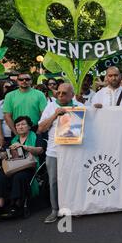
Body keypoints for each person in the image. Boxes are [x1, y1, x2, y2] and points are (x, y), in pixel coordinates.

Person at [38, 83, 84, 223]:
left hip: (73, 150)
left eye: (64, 93)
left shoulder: (79, 105)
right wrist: (55, 115)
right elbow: (41, 128)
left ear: (72, 94)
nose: (60, 95)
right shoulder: (51, 106)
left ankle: (73, 208)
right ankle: (54, 210)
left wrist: (98, 108)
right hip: (54, 151)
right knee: (53, 181)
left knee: (73, 179)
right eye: (58, 92)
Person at [0, 116, 46, 220]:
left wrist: (24, 147)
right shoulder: (14, 140)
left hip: (28, 166)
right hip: (13, 165)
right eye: (18, 125)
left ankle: (15, 204)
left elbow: (40, 150)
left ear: (29, 126)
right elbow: (4, 155)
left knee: (19, 176)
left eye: (23, 124)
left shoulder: (36, 137)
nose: (20, 127)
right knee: (1, 175)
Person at [0, 80, 16, 148]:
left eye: (10, 87)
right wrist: (1, 138)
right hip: (5, 135)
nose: (9, 88)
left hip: (17, 133)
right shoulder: (0, 103)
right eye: (6, 86)